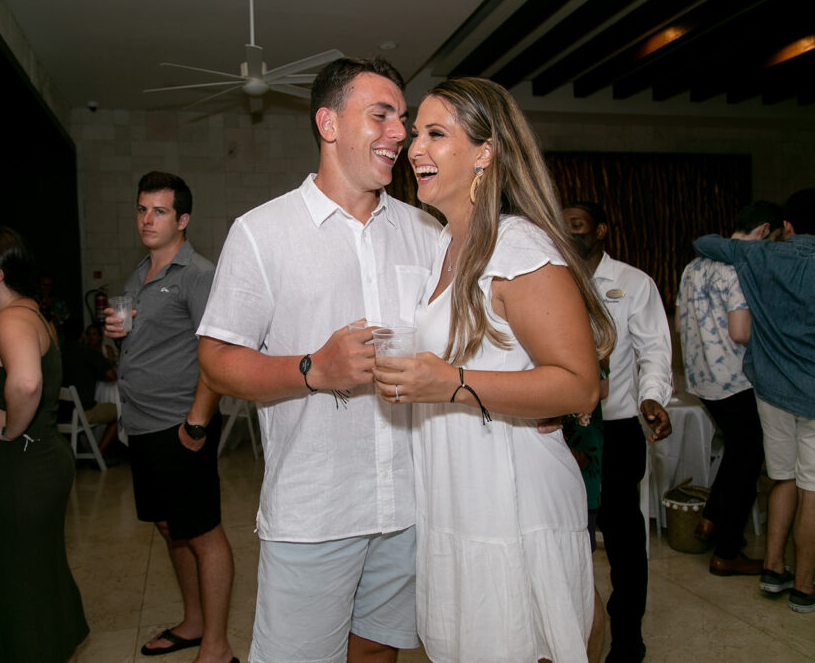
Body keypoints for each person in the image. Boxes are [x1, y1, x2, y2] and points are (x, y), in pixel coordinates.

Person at [198, 57, 442, 663]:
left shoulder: (425, 231)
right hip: (316, 510)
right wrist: (313, 370)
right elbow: (216, 361)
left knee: (380, 653)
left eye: (403, 119)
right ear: (328, 124)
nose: (399, 134)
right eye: (380, 115)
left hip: (411, 504)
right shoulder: (263, 232)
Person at [369, 77, 614, 662]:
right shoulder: (445, 245)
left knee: (526, 639)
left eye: (435, 133)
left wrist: (450, 383)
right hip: (457, 489)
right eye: (416, 134)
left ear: (486, 150)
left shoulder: (519, 247)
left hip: (511, 493)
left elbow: (579, 383)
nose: (414, 148)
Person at [694, 188, 815, 614]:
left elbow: (704, 242)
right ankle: (804, 589)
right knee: (814, 493)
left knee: (781, 479)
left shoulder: (760, 256)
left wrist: (749, 243)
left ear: (787, 226)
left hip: (770, 390)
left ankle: (774, 568)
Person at [104, 171, 236, 663]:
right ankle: (195, 621)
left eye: (158, 211)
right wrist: (116, 337)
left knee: (203, 532)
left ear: (183, 219)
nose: (146, 219)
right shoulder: (139, 274)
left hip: (180, 425)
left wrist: (197, 423)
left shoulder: (197, 273)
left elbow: (217, 353)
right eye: (141, 209)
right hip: (141, 424)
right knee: (168, 526)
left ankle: (217, 647)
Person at [0, 227, 89, 661]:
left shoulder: (11, 319)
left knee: (19, 584)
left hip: (21, 469)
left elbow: (27, 382)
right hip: (38, 464)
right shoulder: (31, 312)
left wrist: (10, 429)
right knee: (40, 571)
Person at [563, 200, 673, 662]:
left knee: (625, 542)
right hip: (564, 430)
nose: (570, 233)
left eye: (579, 225)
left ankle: (628, 636)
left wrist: (653, 397)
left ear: (602, 230)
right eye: (563, 225)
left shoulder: (633, 283)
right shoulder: (552, 279)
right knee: (570, 535)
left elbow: (654, 350)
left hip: (621, 428)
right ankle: (571, 631)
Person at [676, 200, 781, 578]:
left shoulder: (694, 266)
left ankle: (711, 519)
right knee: (748, 460)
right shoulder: (738, 267)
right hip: (736, 380)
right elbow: (741, 332)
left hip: (703, 380)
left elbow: (680, 322)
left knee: (738, 453)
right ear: (766, 231)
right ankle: (726, 551)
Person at [61, 317, 118, 456]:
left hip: (60, 412)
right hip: (83, 411)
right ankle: (99, 452)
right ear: (82, 335)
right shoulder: (88, 352)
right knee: (120, 412)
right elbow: (112, 376)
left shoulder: (59, 352)